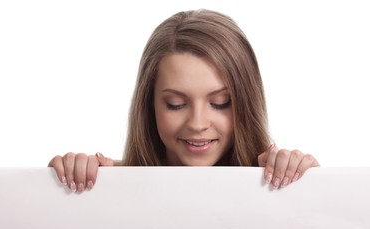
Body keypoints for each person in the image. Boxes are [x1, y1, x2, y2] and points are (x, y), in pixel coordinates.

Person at [49, 9, 319, 193]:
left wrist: (316, 187)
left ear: (245, 103)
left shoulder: (278, 183)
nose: (198, 124)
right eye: (176, 104)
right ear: (149, 105)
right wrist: (58, 186)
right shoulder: (110, 184)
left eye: (221, 102)